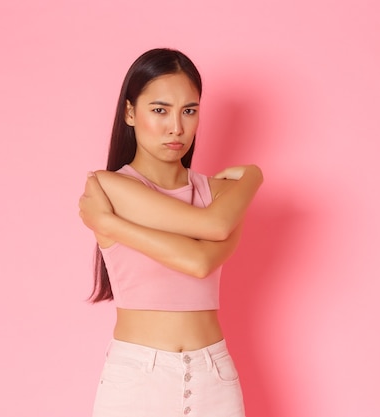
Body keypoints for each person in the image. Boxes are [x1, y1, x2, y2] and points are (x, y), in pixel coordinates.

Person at [78, 48, 263, 417]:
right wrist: (252, 181)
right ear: (130, 112)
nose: (176, 127)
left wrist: (111, 225)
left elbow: (201, 257)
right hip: (136, 380)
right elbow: (208, 236)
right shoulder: (109, 187)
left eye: (189, 111)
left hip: (215, 378)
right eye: (159, 110)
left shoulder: (218, 193)